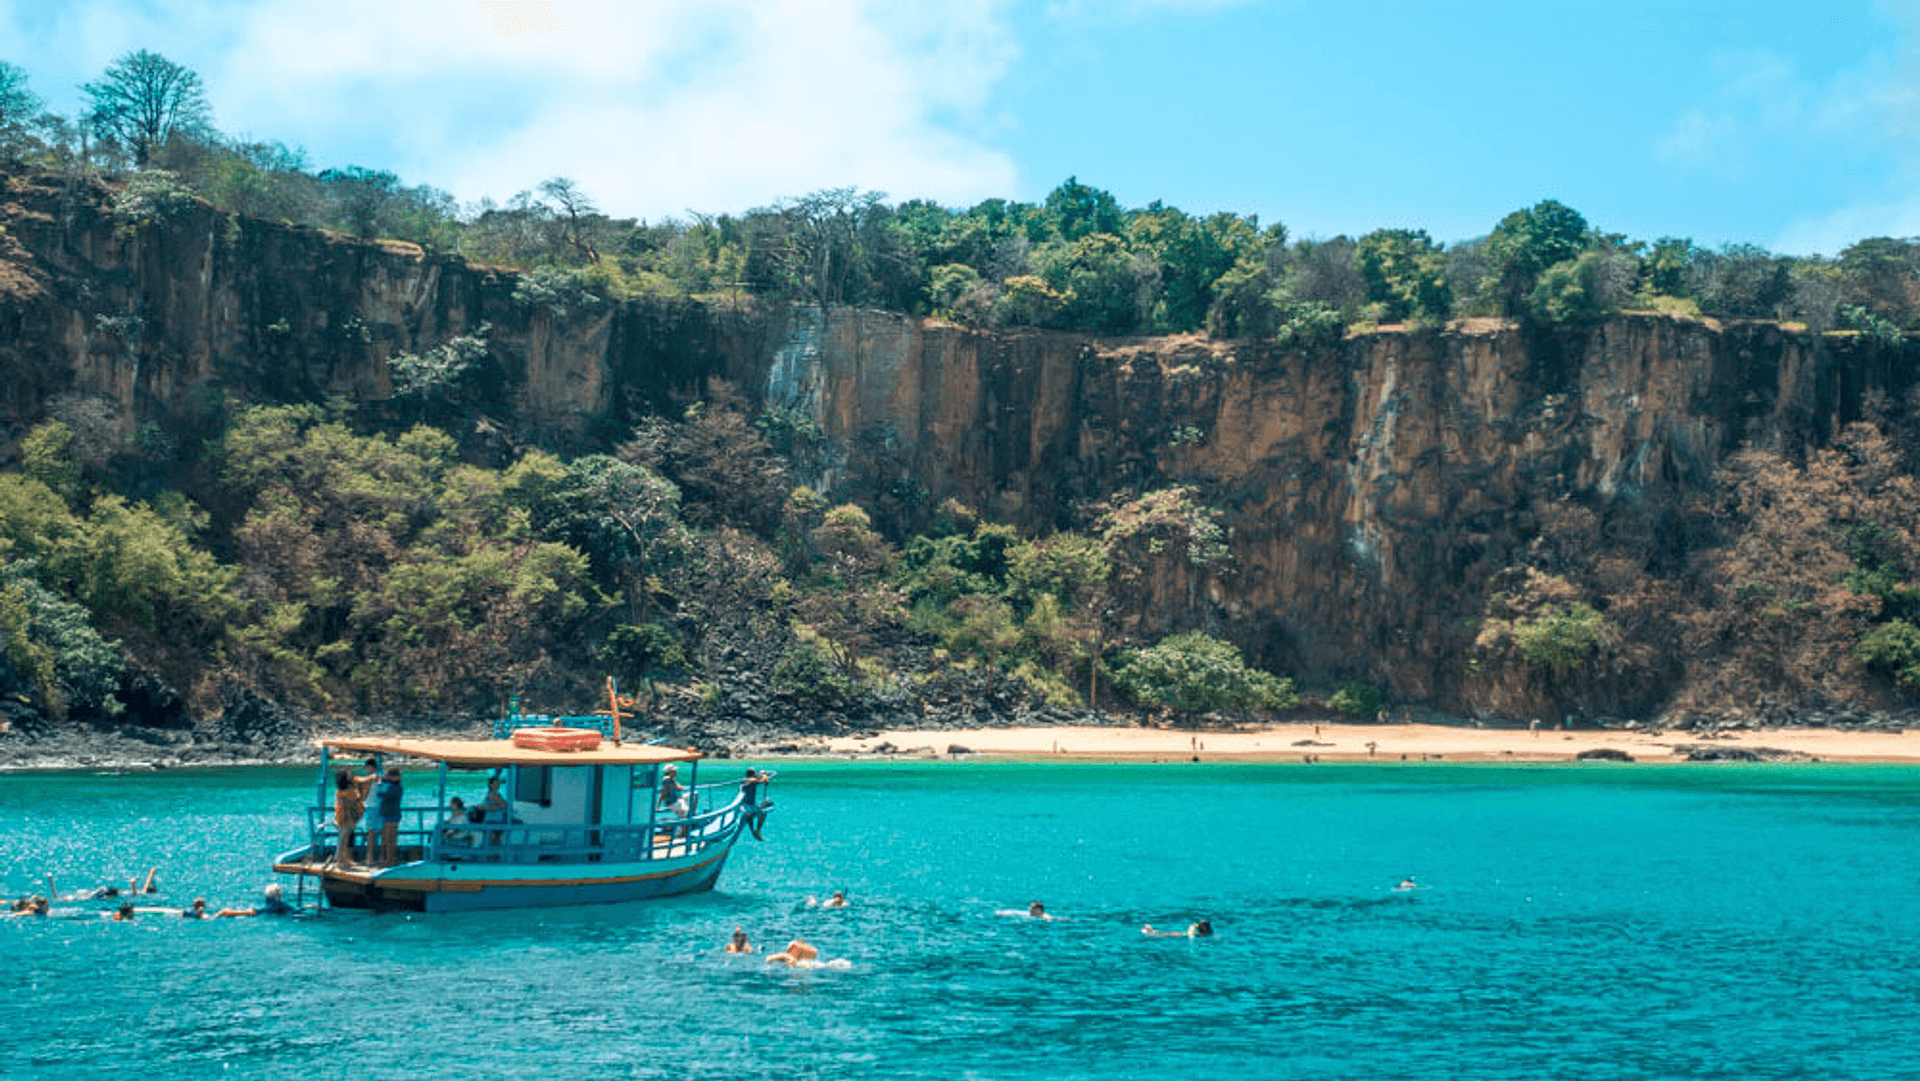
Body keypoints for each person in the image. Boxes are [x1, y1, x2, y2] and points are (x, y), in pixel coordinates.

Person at [332, 766, 377, 869]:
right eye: (348, 774)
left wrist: (373, 777)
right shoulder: (344, 792)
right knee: (343, 838)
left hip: (352, 816)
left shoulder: (352, 784)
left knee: (347, 837)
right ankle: (340, 860)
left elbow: (364, 780)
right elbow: (346, 807)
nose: (351, 775)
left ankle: (346, 859)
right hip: (346, 817)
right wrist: (351, 819)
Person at [373, 766, 405, 866]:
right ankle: (391, 859)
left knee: (390, 839)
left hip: (391, 816)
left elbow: (381, 794)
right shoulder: (397, 785)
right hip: (392, 815)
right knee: (390, 839)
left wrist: (381, 782)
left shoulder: (394, 787)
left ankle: (390, 860)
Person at [215, 884, 298, 918]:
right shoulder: (278, 905)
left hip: (259, 911)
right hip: (257, 912)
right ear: (278, 895)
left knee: (239, 912)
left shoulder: (271, 902)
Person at [738, 768, 773, 841]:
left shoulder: (753, 780)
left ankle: (757, 831)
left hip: (752, 804)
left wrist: (764, 777)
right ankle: (753, 831)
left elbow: (759, 780)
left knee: (763, 813)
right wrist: (764, 777)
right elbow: (758, 781)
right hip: (745, 804)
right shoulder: (747, 780)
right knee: (749, 815)